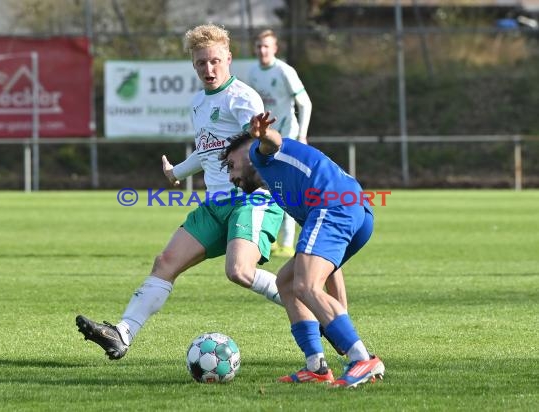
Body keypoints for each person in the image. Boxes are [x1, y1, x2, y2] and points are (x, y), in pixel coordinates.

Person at [76, 24, 345, 361]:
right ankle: (122, 333)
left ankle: (324, 315)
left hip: (251, 198)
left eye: (215, 61)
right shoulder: (198, 103)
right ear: (194, 65)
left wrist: (267, 144)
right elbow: (207, 151)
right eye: (201, 63)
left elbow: (260, 142)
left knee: (240, 271)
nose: (209, 69)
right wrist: (177, 171)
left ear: (228, 59)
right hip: (215, 203)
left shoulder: (242, 97)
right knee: (165, 262)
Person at [219, 112, 384, 388]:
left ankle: (362, 358)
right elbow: (331, 262)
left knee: (305, 285)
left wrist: (261, 134)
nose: (231, 175)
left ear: (247, 152)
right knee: (286, 282)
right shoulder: (282, 186)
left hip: (334, 206)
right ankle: (316, 366)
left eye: (231, 164)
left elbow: (273, 141)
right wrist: (338, 309)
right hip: (355, 212)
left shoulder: (261, 156)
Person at [248, 29, 312, 258]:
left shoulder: (284, 70)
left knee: (287, 189)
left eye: (267, 46)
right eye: (259, 46)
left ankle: (288, 242)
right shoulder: (253, 72)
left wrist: (302, 135)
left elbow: (305, 103)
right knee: (268, 189)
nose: (262, 50)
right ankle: (273, 238)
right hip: (266, 141)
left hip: (288, 138)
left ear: (275, 48)